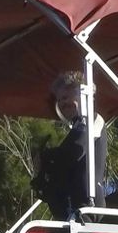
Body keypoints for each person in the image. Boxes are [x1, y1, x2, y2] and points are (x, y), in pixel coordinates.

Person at [31, 71, 107, 221]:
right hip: (71, 208)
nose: (62, 103)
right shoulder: (77, 127)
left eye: (65, 97)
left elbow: (75, 150)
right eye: (59, 100)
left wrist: (47, 157)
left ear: (83, 95)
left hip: (88, 208)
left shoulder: (93, 119)